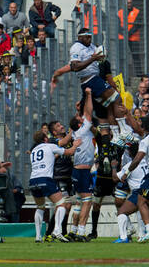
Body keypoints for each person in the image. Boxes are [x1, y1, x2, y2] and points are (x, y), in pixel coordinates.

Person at [29, 129, 81, 243]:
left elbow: (50, 158)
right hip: (45, 179)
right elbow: (69, 152)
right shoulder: (50, 146)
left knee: (40, 207)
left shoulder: (33, 151)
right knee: (61, 204)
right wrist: (75, 145)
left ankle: (38, 236)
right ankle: (57, 231)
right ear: (45, 139)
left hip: (33, 180)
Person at [68, 87, 95, 241]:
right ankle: (81, 232)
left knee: (78, 202)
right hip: (83, 171)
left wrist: (79, 108)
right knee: (87, 201)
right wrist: (89, 95)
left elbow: (84, 115)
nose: (83, 119)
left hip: (76, 171)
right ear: (79, 125)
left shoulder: (77, 132)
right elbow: (89, 113)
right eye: (80, 120)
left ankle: (73, 230)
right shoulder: (83, 131)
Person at [111, 142, 146, 243]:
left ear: (130, 153)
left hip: (138, 191)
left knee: (121, 212)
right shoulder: (147, 162)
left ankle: (124, 237)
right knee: (144, 211)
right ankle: (143, 234)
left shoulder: (130, 165)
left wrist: (114, 167)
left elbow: (115, 178)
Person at [118, 0, 141, 74]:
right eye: (127, 3)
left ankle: (139, 74)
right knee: (121, 57)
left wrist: (128, 34)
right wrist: (124, 33)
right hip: (122, 38)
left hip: (133, 38)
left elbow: (137, 25)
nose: (129, 4)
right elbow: (117, 25)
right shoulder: (119, 12)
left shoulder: (137, 12)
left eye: (130, 2)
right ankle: (122, 74)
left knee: (136, 56)